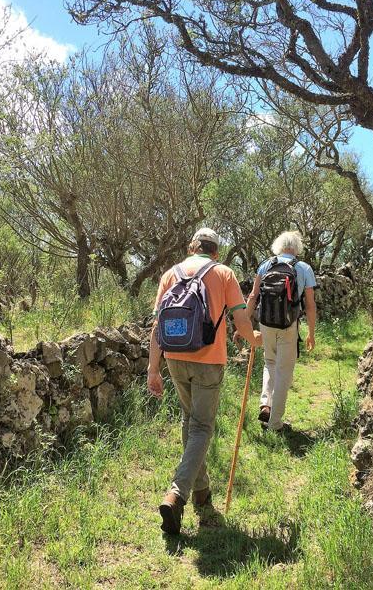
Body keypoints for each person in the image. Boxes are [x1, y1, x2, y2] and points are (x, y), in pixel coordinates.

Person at [147, 227, 262, 535]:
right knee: (201, 427)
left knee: (189, 421)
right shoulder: (223, 273)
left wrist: (153, 369)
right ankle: (177, 494)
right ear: (215, 252)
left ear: (191, 247)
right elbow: (240, 318)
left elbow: (158, 326)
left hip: (174, 357)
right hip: (209, 360)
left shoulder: (170, 274)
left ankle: (202, 492)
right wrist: (255, 339)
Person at [243, 231, 316, 431]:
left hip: (265, 323)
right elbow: (309, 305)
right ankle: (275, 423)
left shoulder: (266, 265)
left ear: (279, 246)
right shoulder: (303, 268)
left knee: (270, 362)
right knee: (284, 371)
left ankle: (266, 404)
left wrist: (246, 323)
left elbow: (253, 296)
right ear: (297, 247)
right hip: (288, 325)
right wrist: (311, 332)